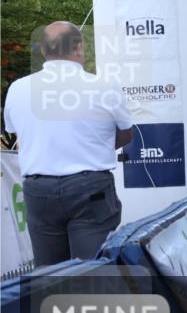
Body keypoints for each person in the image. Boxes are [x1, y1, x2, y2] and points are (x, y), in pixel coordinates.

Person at [2, 22, 133, 265]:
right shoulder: (106, 86)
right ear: (79, 48)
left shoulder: (18, 89)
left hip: (39, 191)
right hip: (90, 188)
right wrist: (95, 146)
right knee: (92, 270)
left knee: (50, 274)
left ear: (43, 50)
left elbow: (16, 131)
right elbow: (126, 134)